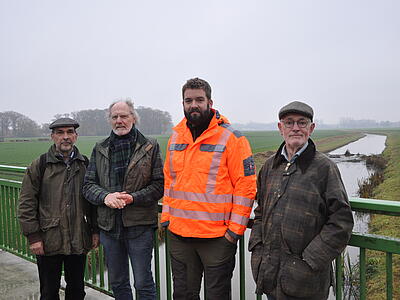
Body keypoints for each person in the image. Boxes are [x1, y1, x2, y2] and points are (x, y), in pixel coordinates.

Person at [161, 77, 257, 300]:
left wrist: (234, 233)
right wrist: (167, 218)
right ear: (183, 104)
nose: (193, 105)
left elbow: (246, 187)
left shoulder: (232, 138)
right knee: (183, 295)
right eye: (188, 100)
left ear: (210, 102)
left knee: (217, 296)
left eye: (199, 100)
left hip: (216, 238)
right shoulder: (176, 136)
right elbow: (169, 180)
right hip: (179, 235)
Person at [248, 101, 354, 300]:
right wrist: (258, 249)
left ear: (311, 128)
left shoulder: (324, 168)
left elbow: (342, 222)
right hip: (270, 276)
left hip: (307, 283)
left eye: (302, 122)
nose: (295, 128)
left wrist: (308, 261)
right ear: (280, 128)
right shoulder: (270, 166)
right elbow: (261, 211)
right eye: (289, 123)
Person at [82, 99, 163, 300]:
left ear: (133, 118)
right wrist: (105, 196)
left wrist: (132, 198)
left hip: (139, 226)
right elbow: (88, 185)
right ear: (109, 120)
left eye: (124, 116)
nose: (119, 120)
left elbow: (159, 185)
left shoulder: (150, 146)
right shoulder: (100, 148)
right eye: (114, 117)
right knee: (118, 282)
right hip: (109, 228)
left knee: (143, 283)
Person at [18, 117, 99, 300]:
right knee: (48, 292)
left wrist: (95, 230)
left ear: (76, 136)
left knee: (77, 291)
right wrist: (34, 237)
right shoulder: (40, 165)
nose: (65, 137)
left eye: (70, 132)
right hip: (48, 240)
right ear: (52, 137)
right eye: (60, 133)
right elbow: (26, 204)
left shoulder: (85, 164)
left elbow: (92, 202)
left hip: (78, 239)